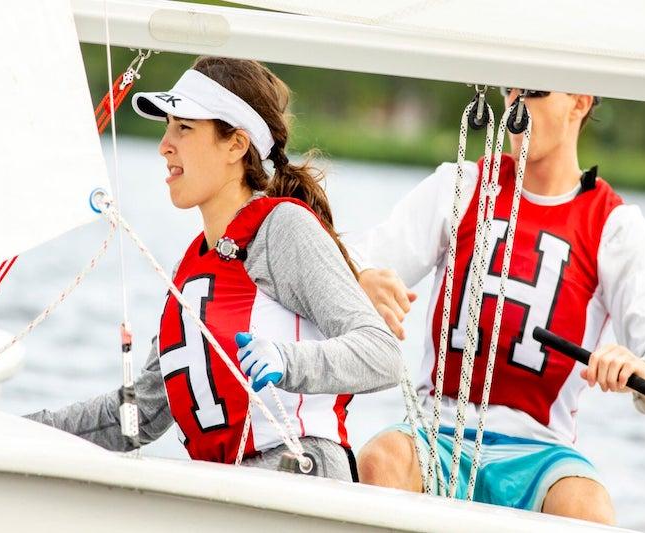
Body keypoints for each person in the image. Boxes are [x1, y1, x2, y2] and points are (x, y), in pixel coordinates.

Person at [27, 57, 402, 481]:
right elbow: (143, 414)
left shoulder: (283, 228)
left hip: (301, 480)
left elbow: (382, 356)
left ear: (236, 145)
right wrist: (23, 432)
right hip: (227, 490)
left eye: (184, 127)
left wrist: (285, 359)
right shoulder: (192, 268)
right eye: (167, 126)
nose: (164, 144)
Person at [351, 89, 645, 523]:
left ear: (579, 102)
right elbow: (358, 256)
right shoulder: (461, 186)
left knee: (588, 508)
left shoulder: (615, 226)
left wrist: (643, 369)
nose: (515, 110)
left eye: (536, 94)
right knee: (381, 460)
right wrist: (360, 278)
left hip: (541, 452)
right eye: (511, 92)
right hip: (438, 431)